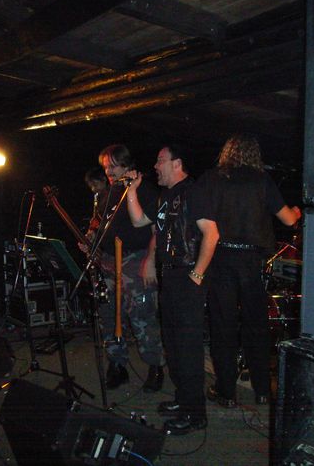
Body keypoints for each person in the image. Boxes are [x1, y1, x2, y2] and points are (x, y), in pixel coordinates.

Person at [125, 144, 219, 436]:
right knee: (174, 345)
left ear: (177, 163)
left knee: (188, 348)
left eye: (160, 160)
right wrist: (131, 191)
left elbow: (212, 233)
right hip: (171, 277)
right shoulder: (165, 196)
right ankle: (183, 400)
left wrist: (197, 274)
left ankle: (195, 414)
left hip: (187, 276)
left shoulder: (193, 191)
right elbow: (138, 221)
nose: (155, 166)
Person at [204, 135, 301, 407]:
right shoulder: (261, 180)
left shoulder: (213, 179)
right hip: (250, 261)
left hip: (221, 257)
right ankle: (262, 390)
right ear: (254, 154)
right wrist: (295, 212)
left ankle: (226, 392)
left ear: (227, 152)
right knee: (256, 326)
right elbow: (288, 219)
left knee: (222, 326)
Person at [90, 144, 165, 392]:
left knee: (142, 316)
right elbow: (103, 226)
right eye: (106, 167)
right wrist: (92, 242)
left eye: (113, 166)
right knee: (110, 315)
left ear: (126, 164)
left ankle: (155, 366)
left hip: (136, 260)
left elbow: (157, 230)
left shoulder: (144, 189)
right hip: (109, 261)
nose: (109, 171)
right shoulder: (110, 193)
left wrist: (150, 261)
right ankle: (117, 365)